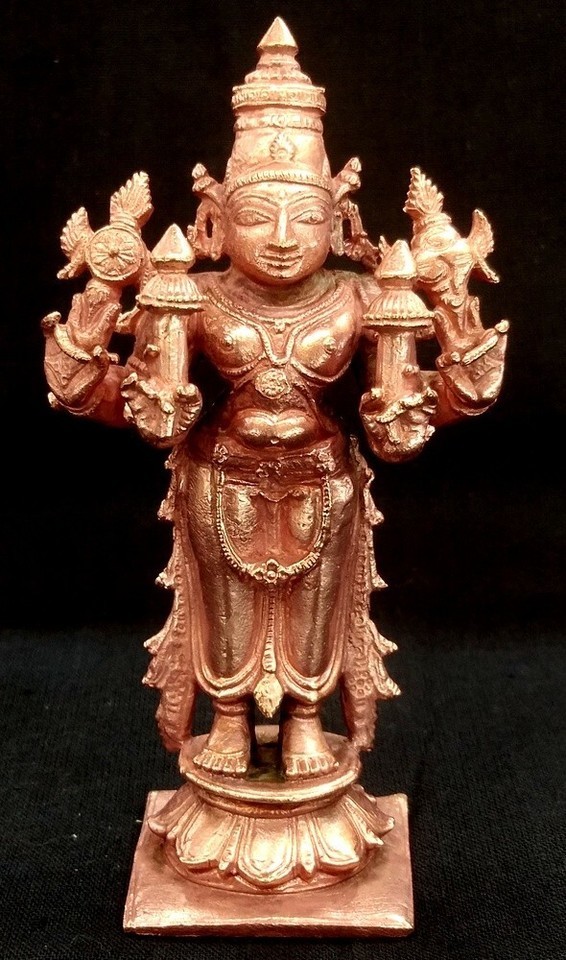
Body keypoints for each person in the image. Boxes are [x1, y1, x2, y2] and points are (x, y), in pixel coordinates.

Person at [43, 17, 507, 782]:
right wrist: (99, 302)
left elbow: (412, 417)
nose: (284, 236)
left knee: (316, 610)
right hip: (220, 475)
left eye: (308, 216)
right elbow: (128, 401)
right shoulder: (196, 294)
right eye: (257, 217)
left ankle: (306, 723)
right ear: (216, 218)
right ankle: (228, 720)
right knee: (226, 612)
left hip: (322, 480)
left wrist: (455, 311)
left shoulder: (362, 295)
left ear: (340, 217)